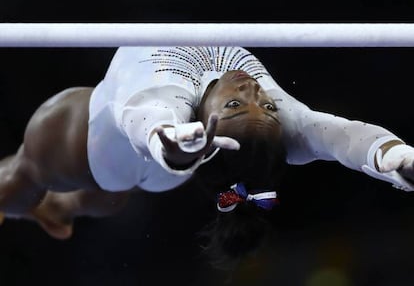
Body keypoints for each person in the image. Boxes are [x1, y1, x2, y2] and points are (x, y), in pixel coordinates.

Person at [0, 47, 413, 262]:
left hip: (83, 146)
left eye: (234, 106)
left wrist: (170, 144)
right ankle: (64, 209)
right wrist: (391, 155)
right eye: (266, 106)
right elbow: (339, 137)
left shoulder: (165, 94)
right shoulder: (270, 112)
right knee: (109, 193)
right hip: (157, 172)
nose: (251, 91)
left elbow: (148, 111)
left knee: (22, 179)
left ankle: (41, 201)